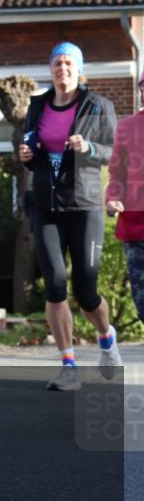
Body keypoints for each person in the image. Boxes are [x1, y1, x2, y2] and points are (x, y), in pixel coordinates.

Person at [19, 42, 121, 391]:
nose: (62, 69)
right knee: (56, 285)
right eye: (56, 63)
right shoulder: (38, 105)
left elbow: (113, 151)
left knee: (87, 291)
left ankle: (106, 337)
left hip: (84, 204)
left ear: (79, 69)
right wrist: (26, 154)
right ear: (50, 69)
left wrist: (89, 147)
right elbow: (32, 150)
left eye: (68, 63)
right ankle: (68, 366)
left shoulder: (97, 106)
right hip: (46, 204)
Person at [105, 71, 144, 324]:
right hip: (135, 225)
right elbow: (117, 171)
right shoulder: (127, 127)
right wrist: (113, 198)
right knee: (141, 301)